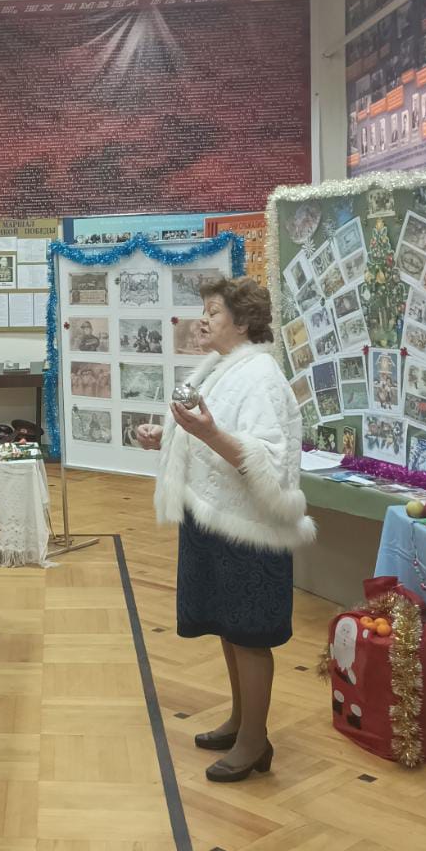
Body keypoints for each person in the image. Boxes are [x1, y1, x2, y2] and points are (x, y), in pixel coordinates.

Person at [143, 277, 314, 782]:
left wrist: (208, 432)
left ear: (242, 322)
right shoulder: (223, 368)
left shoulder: (260, 376)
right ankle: (242, 723)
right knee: (228, 627)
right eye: (205, 310)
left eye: (213, 312)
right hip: (216, 520)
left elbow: (267, 460)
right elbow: (214, 436)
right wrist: (167, 436)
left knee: (250, 635)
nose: (203, 320)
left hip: (249, 528)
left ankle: (256, 741)